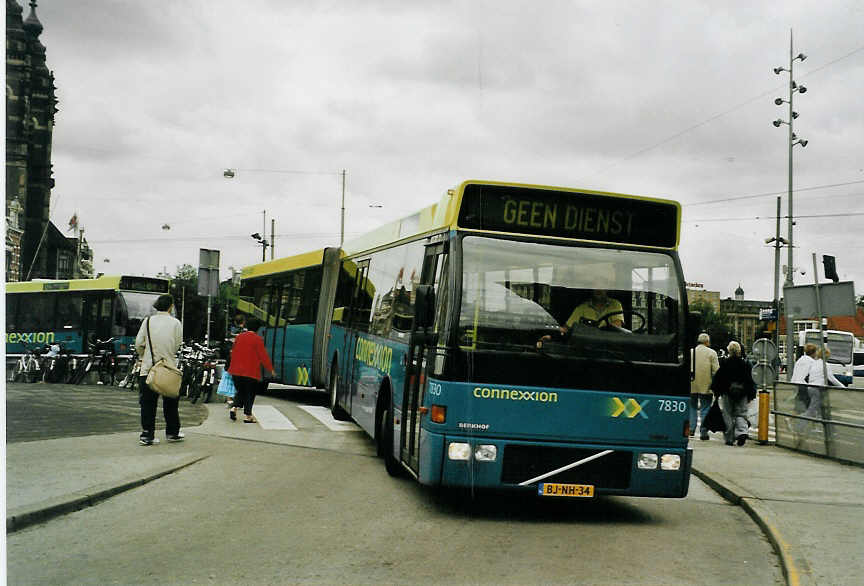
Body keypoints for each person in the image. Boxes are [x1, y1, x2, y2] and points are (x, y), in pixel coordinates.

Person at [135, 294, 184, 446]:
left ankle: (147, 435)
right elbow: (177, 345)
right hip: (168, 368)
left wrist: (145, 355)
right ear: (170, 306)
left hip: (149, 368)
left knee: (148, 403)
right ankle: (172, 433)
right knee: (171, 403)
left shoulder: (148, 321)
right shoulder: (176, 323)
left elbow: (139, 343)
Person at [227, 316, 275, 423]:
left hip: (236, 372)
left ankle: (234, 408)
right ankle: (248, 416)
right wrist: (270, 369)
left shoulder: (239, 337)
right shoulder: (257, 339)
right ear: (258, 328)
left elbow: (233, 352)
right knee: (250, 394)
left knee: (240, 391)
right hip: (250, 372)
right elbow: (263, 356)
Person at [710, 341, 757, 446]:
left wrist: (716, 392)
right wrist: (751, 394)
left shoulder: (725, 364)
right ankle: (742, 432)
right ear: (739, 351)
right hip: (742, 393)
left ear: (729, 351)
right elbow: (750, 380)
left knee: (727, 414)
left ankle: (729, 437)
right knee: (741, 414)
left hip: (727, 392)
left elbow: (718, 379)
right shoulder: (745, 364)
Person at [690, 333, 720, 440]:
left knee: (692, 407)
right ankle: (703, 431)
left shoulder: (691, 352)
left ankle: (691, 428)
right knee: (705, 407)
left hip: (692, 384)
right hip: (706, 385)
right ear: (707, 342)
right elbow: (716, 371)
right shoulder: (712, 353)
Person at [791, 343, 818, 413]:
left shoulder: (799, 360)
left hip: (796, 385)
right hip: (804, 387)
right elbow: (812, 375)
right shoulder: (812, 362)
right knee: (808, 409)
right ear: (814, 353)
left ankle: (791, 419)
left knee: (799, 408)